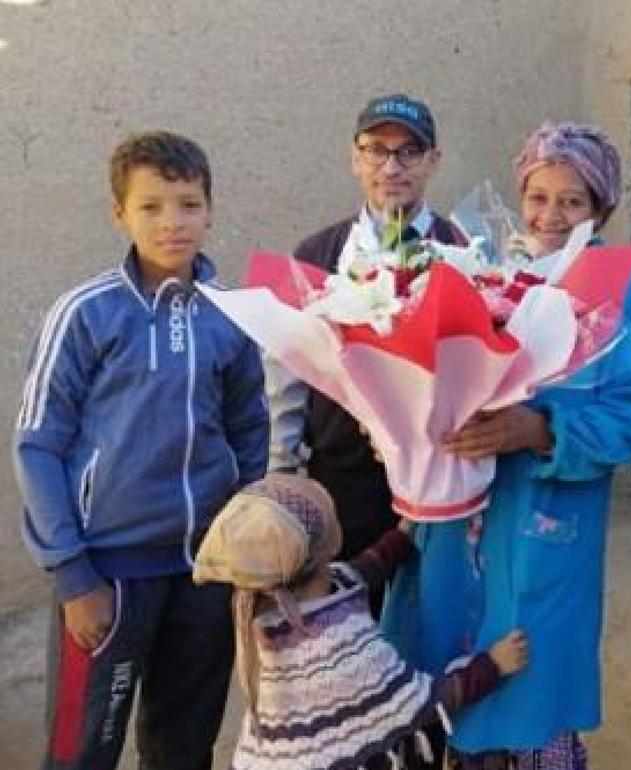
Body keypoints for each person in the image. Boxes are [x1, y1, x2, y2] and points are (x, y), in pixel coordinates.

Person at [405, 121, 631, 770]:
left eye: (572, 201)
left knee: (532, 693)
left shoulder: (614, 285)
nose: (551, 215)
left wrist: (543, 430)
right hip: (459, 518)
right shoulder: (490, 268)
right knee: (451, 678)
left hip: (546, 523)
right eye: (539, 196)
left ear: (599, 208)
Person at [13, 130, 269, 769]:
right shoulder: (86, 313)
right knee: (83, 749)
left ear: (209, 209)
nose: (172, 222)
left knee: (182, 748)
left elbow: (249, 434)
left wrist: (242, 550)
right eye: (151, 206)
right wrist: (74, 574)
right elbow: (38, 445)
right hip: (109, 576)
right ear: (119, 212)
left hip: (203, 574)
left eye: (187, 204)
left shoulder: (230, 315)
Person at [191, 474, 528, 770]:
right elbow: (421, 703)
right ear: (323, 545)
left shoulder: (268, 607)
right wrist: (492, 665)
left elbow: (360, 573)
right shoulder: (335, 645)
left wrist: (404, 535)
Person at [267, 93, 467, 562]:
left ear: (433, 161)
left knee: (426, 622)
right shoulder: (316, 254)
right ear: (355, 158)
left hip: (437, 480)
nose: (391, 167)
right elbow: (284, 371)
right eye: (376, 150)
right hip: (341, 476)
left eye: (409, 151)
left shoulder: (463, 251)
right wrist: (281, 472)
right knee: (344, 613)